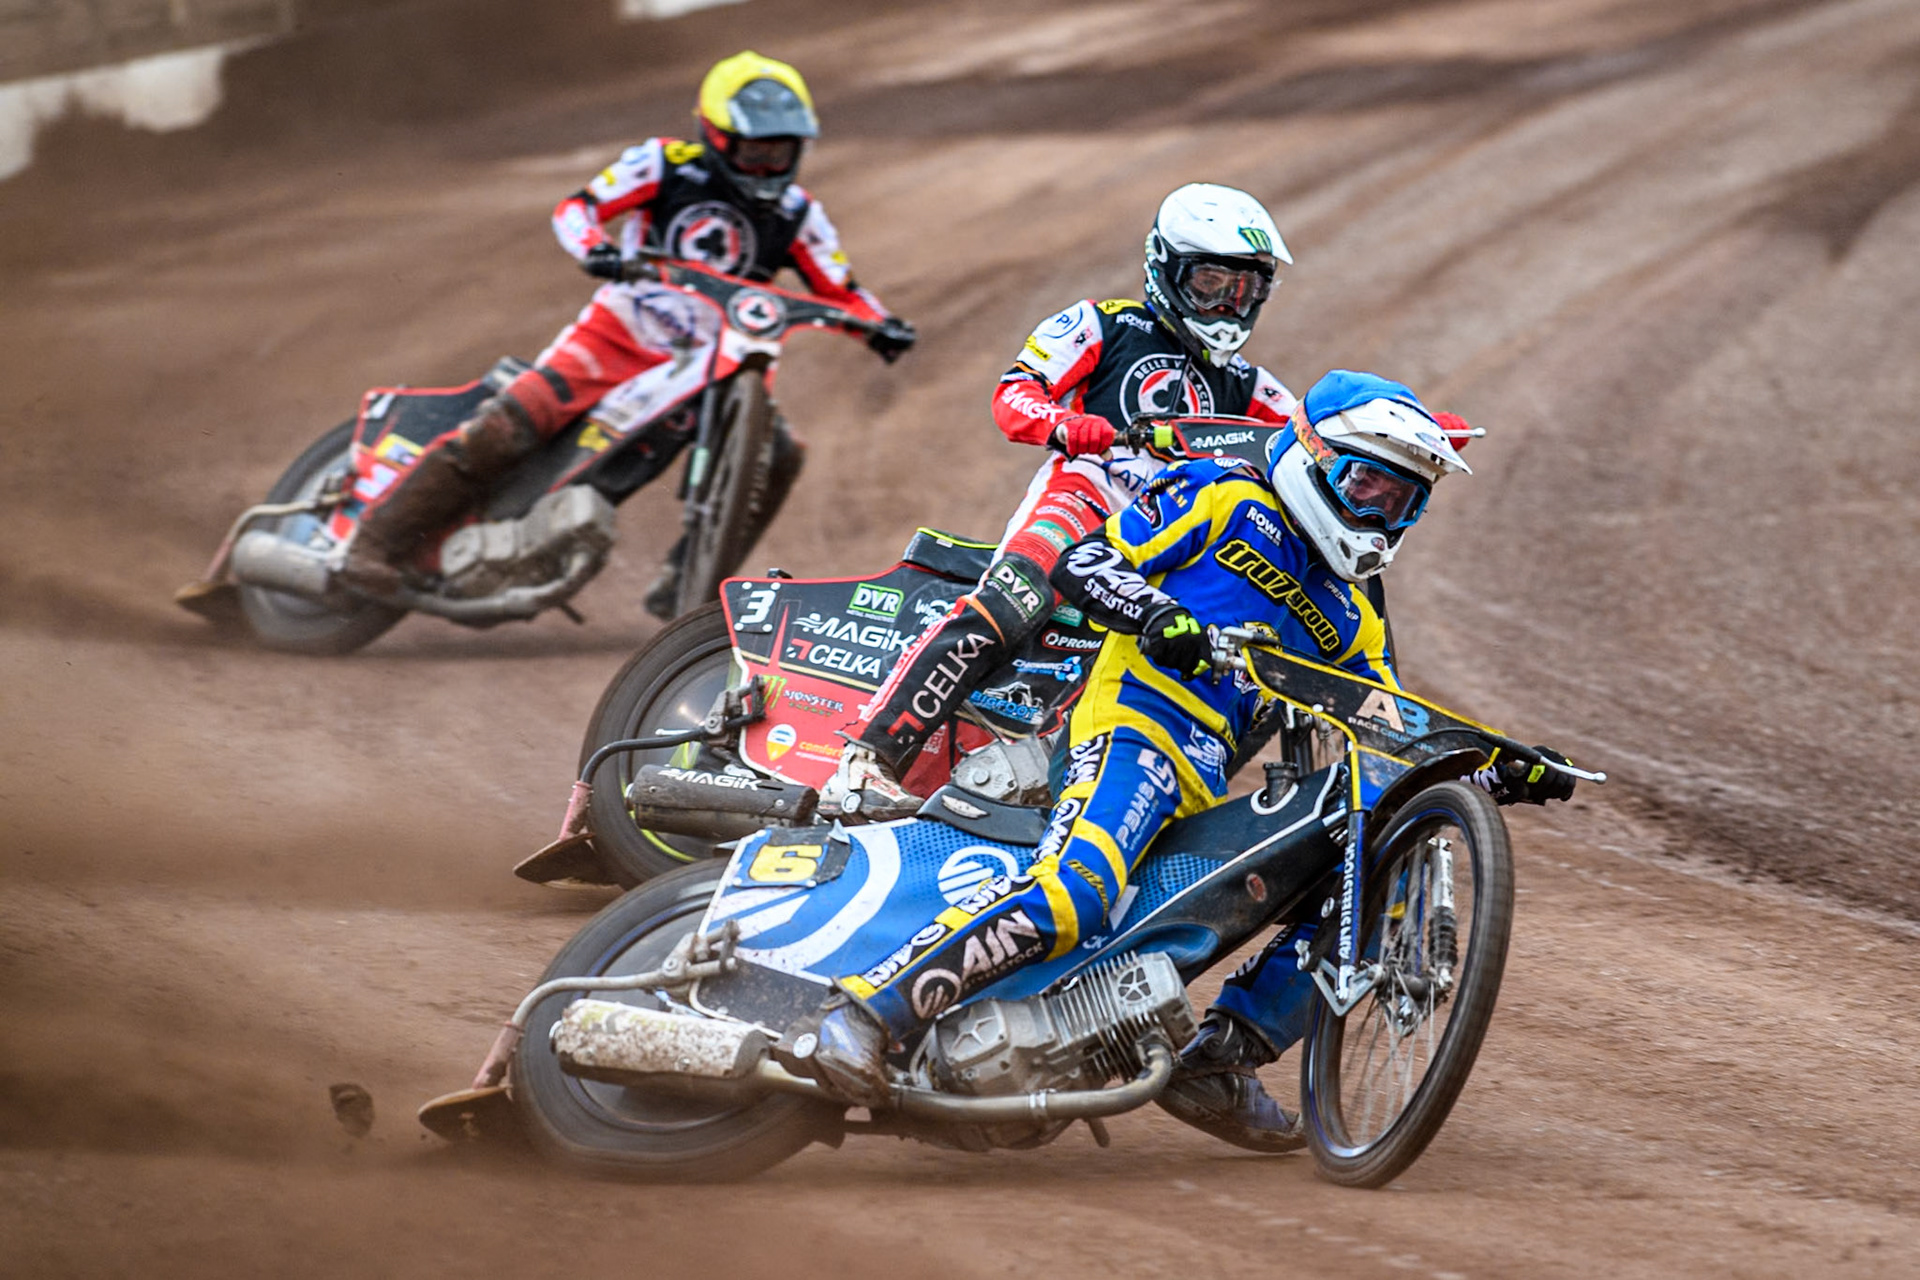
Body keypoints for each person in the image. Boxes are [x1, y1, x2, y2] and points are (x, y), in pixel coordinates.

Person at [795, 371, 1574, 1151]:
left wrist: (1500, 764)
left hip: (1201, 783)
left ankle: (1220, 1060)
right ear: (1312, 454)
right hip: (1132, 727)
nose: (1378, 512)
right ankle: (865, 1014)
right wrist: (1159, 612)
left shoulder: (1351, 610)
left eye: (1402, 501)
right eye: (1365, 482)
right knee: (1076, 895)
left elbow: (1391, 723)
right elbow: (1087, 563)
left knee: (1349, 879)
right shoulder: (1224, 495)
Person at [341, 51, 917, 612]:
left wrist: (880, 325)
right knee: (512, 424)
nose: (765, 165)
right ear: (716, 137)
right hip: (618, 335)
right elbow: (577, 208)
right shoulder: (664, 164)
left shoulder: (798, 214)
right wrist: (596, 250)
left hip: (715, 362)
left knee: (781, 452)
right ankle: (374, 540)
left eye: (779, 152)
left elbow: (842, 289)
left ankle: (686, 577)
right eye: (752, 150)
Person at [824, 182, 1298, 815]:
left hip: (1160, 541)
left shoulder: (1249, 385)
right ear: (1167, 266)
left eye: (1246, 290)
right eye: (1213, 283)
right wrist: (1068, 424)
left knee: (1223, 658)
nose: (1228, 305)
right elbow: (1015, 393)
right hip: (1081, 496)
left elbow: (1308, 448)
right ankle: (865, 760)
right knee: (1012, 599)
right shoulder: (1103, 323)